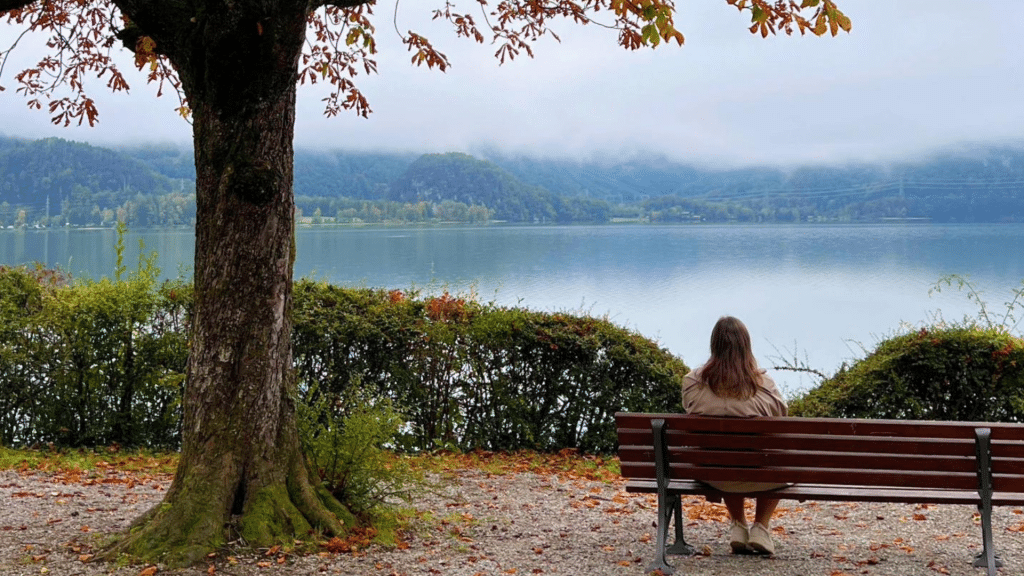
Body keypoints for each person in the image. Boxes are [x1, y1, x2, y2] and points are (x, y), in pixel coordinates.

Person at [681, 316, 788, 556]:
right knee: (769, 455)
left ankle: (738, 525)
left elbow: (688, 408)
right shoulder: (764, 385)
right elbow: (782, 416)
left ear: (714, 345)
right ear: (746, 346)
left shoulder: (693, 383)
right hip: (764, 476)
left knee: (723, 455)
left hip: (713, 474)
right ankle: (760, 527)